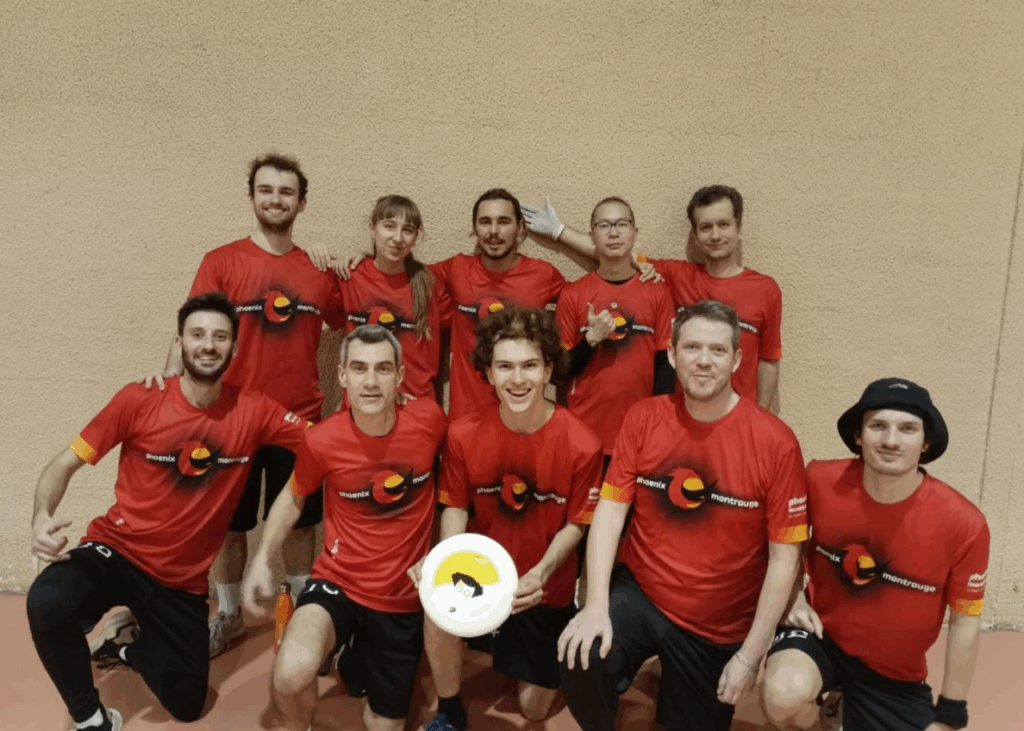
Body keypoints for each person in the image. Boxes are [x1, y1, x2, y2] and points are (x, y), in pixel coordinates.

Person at [27, 292, 308, 731]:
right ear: (179, 343)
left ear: (235, 348)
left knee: (188, 704)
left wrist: (384, 413)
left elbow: (326, 440)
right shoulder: (139, 398)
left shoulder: (254, 410)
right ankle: (91, 718)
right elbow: (63, 465)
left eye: (219, 337)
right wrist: (40, 516)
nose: (208, 345)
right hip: (117, 550)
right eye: (197, 335)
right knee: (47, 601)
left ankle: (124, 645)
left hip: (180, 582)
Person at [557, 300, 809, 731]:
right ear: (672, 355)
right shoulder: (644, 417)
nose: (704, 361)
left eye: (717, 350)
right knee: (579, 654)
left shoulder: (776, 443)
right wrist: (595, 604)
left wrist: (751, 655)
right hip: (643, 594)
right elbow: (610, 514)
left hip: (718, 622)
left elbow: (785, 559)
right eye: (692, 348)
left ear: (736, 359)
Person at [144, 153, 346, 658]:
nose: (276, 199)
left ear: (301, 202)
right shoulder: (221, 261)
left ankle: (303, 616)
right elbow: (192, 332)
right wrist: (167, 392)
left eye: (286, 192)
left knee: (300, 522)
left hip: (298, 420)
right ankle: (230, 615)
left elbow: (350, 320)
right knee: (228, 525)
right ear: (252, 197)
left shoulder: (317, 270)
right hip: (228, 420)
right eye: (266, 190)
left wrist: (345, 265)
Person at [242, 325, 447, 731]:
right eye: (359, 368)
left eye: (382, 369)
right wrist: (262, 558)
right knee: (292, 672)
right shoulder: (322, 440)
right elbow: (294, 496)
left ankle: (355, 655)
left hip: (401, 597)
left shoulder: (429, 421)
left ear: (400, 376)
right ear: (342, 376)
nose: (370, 381)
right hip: (339, 582)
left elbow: (455, 489)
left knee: (384, 726)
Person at [760, 378, 989, 731]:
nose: (891, 441)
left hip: (894, 673)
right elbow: (783, 542)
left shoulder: (964, 524)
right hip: (821, 638)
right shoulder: (819, 480)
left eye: (908, 429)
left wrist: (950, 714)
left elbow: (965, 621)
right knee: (782, 696)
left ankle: (843, 703)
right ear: (858, 435)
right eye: (878, 426)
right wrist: (793, 596)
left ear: (926, 442)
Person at [416, 306, 603, 731]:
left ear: (548, 369)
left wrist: (542, 572)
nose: (517, 379)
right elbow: (456, 506)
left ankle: (522, 648)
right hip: (480, 577)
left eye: (529, 366)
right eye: (504, 367)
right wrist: (444, 560)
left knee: (534, 709)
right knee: (434, 601)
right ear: (488, 373)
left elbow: (577, 523)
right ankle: (449, 711)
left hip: (543, 589)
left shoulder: (584, 443)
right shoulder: (462, 434)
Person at [523, 185, 783, 412]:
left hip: (739, 413)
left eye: (724, 225)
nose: (715, 236)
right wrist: (559, 231)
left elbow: (769, 360)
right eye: (705, 227)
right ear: (695, 235)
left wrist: (761, 418)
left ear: (738, 227)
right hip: (687, 416)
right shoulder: (674, 275)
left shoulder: (766, 289)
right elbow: (615, 253)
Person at [338, 189, 566, 420]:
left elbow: (583, 296)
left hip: (523, 413)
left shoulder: (543, 274)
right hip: (466, 418)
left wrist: (560, 232)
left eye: (504, 222)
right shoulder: (456, 269)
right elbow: (397, 270)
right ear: (474, 228)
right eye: (485, 222)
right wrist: (366, 259)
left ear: (520, 227)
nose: (494, 231)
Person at [555, 196, 676, 460]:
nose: (613, 233)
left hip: (640, 434)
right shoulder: (573, 295)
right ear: (592, 236)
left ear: (635, 232)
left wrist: (662, 426)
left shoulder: (658, 292)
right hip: (584, 434)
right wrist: (591, 340)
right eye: (604, 225)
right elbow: (558, 372)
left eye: (622, 224)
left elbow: (666, 366)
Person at [338, 195, 451, 402]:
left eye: (407, 230)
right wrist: (317, 251)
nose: (398, 238)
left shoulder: (429, 283)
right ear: (372, 228)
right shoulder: (350, 277)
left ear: (416, 237)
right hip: (363, 406)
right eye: (389, 226)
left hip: (416, 407)